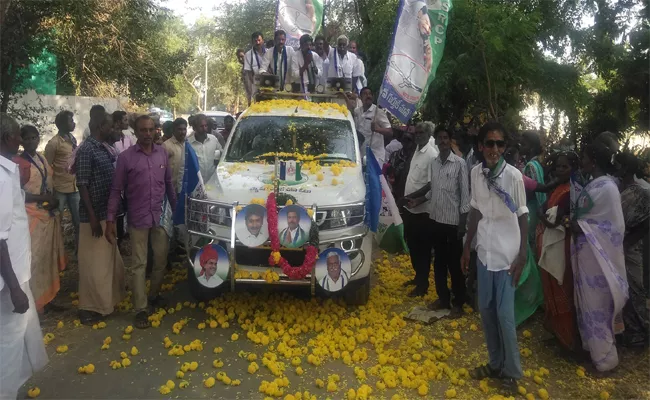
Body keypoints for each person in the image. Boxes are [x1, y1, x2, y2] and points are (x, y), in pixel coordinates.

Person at [461, 122, 527, 392]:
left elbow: (523, 214)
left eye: (500, 144)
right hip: (485, 252)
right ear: (480, 146)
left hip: (507, 255)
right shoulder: (476, 173)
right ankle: (495, 363)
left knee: (504, 315)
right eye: (490, 143)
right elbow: (476, 210)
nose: (495, 149)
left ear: (505, 148)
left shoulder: (513, 176)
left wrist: (522, 254)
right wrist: (467, 246)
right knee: (486, 311)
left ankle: (511, 372)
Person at [105, 115, 177, 329]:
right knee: (139, 264)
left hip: (160, 216)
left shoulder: (162, 153)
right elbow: (116, 191)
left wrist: (177, 212)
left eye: (151, 130)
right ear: (135, 132)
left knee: (161, 260)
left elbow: (169, 186)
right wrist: (110, 220)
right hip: (137, 217)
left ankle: (153, 295)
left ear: (156, 131)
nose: (147, 134)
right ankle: (140, 308)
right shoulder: (126, 158)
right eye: (143, 130)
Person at [0, 113, 49, 399]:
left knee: (23, 339)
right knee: (9, 341)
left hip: (17, 275)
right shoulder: (3, 176)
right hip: (10, 281)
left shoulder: (7, 172)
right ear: (8, 139)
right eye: (18, 135)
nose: (21, 140)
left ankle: (12, 387)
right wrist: (16, 288)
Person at [571, 141, 628, 371]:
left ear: (593, 161)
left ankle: (604, 360)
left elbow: (580, 219)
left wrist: (572, 223)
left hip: (594, 257)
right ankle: (600, 354)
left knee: (594, 305)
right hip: (601, 255)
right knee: (600, 306)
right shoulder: (609, 185)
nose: (581, 162)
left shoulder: (598, 188)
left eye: (584, 157)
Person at [408, 126, 469, 313]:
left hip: (452, 224)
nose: (442, 141)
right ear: (436, 140)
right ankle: (443, 299)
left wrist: (462, 224)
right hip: (435, 220)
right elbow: (433, 190)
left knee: (454, 265)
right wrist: (418, 200)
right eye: (440, 138)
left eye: (446, 138)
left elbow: (465, 197)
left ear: (450, 141)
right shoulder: (434, 164)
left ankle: (458, 303)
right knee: (439, 263)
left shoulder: (460, 164)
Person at [75, 112, 126, 325]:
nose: (112, 128)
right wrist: (94, 218)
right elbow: (82, 184)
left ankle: (105, 303)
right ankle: (88, 307)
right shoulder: (87, 150)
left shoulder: (104, 148)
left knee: (106, 264)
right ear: (100, 126)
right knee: (92, 265)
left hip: (108, 214)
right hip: (93, 217)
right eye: (109, 125)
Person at [13, 126, 66, 313]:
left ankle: (47, 299)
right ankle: (34, 304)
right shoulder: (18, 163)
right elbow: (18, 194)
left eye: (34, 137)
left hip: (46, 215)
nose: (31, 141)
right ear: (21, 141)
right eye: (27, 138)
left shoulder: (42, 159)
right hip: (30, 217)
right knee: (33, 260)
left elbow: (48, 184)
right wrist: (43, 199)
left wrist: (51, 201)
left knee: (47, 259)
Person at [535, 151, 582, 352]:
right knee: (550, 287)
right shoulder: (558, 188)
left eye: (565, 167)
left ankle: (568, 341)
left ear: (574, 169)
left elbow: (553, 219)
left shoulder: (572, 192)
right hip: (549, 243)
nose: (560, 170)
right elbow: (545, 211)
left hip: (561, 246)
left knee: (562, 286)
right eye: (558, 166)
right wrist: (545, 217)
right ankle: (556, 333)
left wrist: (544, 219)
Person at [615, 152, 649, 347]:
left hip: (630, 248)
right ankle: (625, 332)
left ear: (626, 169)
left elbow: (645, 224)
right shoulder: (618, 189)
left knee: (635, 290)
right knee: (621, 289)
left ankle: (640, 335)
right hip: (618, 247)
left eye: (618, 165)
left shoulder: (640, 192)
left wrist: (626, 243)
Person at [400, 122, 438, 297]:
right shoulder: (417, 149)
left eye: (421, 133)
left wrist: (413, 197)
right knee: (412, 245)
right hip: (410, 208)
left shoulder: (431, 154)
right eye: (416, 133)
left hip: (423, 210)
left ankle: (423, 285)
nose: (417, 135)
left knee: (422, 249)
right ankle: (418, 277)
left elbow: (432, 184)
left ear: (428, 134)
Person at [45, 110, 80, 253]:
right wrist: (50, 189)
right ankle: (57, 254)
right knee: (56, 223)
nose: (74, 123)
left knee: (79, 223)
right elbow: (47, 167)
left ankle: (79, 252)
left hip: (75, 187)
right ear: (63, 124)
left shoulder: (72, 139)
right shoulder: (53, 143)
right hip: (59, 188)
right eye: (71, 121)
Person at [350, 87, 393, 165]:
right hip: (361, 156)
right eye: (365, 94)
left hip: (375, 157)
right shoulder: (357, 111)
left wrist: (378, 129)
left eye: (370, 94)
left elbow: (390, 131)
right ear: (360, 97)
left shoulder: (378, 112)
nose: (368, 96)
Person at [520, 130, 546, 246]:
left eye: (523, 144)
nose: (521, 146)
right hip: (537, 208)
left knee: (530, 243)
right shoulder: (537, 163)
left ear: (531, 147)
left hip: (531, 209)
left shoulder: (530, 166)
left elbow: (531, 191)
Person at [188, 114, 222, 182]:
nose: (204, 129)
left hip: (212, 182)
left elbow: (221, 153)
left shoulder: (213, 139)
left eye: (205, 126)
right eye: (201, 126)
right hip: (196, 184)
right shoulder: (188, 143)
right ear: (194, 128)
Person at [385, 129, 415, 200]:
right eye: (404, 139)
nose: (406, 142)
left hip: (410, 191)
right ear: (401, 141)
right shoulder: (395, 155)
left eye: (409, 140)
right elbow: (389, 172)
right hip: (396, 190)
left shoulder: (415, 156)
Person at [162, 118, 188, 194]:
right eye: (179, 129)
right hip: (172, 190)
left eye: (184, 129)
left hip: (186, 188)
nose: (182, 132)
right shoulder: (166, 146)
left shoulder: (188, 144)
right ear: (173, 130)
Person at [243, 32, 266, 104]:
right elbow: (248, 74)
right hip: (256, 88)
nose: (257, 42)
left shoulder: (269, 53)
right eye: (255, 41)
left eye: (259, 40)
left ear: (263, 41)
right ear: (252, 42)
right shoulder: (248, 55)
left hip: (270, 88)